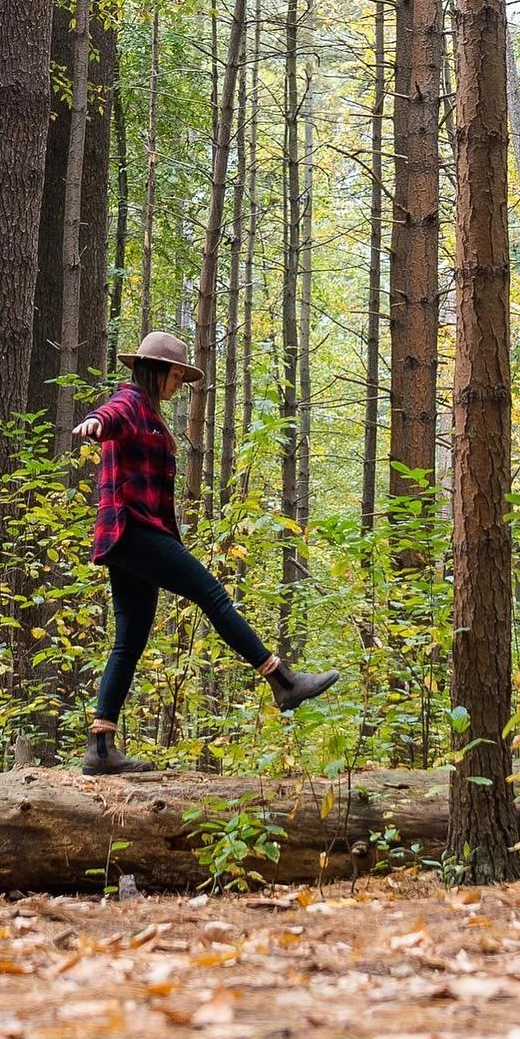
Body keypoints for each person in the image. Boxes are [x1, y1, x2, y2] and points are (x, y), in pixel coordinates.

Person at [73, 330, 338, 775]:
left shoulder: (149, 413)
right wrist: (96, 422)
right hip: (133, 531)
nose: (179, 384)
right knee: (213, 595)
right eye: (176, 375)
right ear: (158, 370)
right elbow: (111, 414)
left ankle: (100, 747)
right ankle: (282, 680)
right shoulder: (131, 403)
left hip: (129, 538)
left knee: (130, 639)